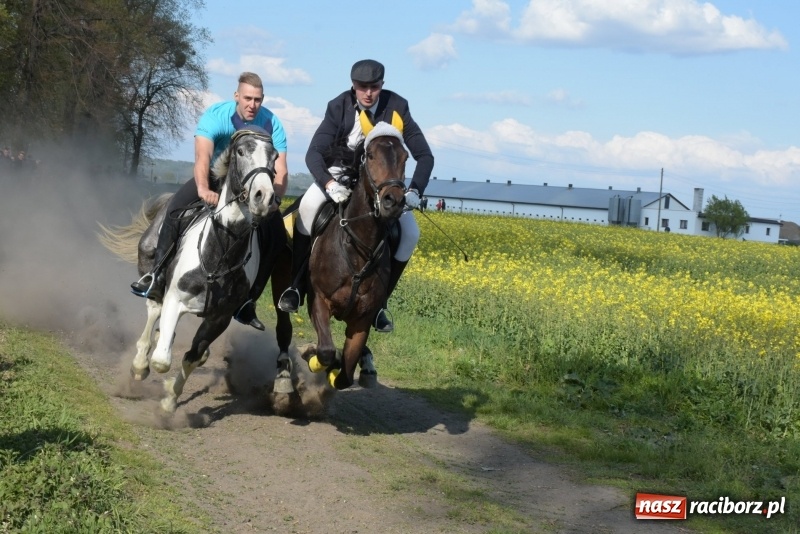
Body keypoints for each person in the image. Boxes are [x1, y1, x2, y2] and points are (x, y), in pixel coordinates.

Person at [277, 59, 434, 335]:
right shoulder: (338, 106)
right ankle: (296, 286)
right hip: (338, 172)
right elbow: (313, 153)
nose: (368, 93)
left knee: (410, 233)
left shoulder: (398, 106)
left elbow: (425, 156)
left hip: (381, 182)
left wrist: (414, 191)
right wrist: (329, 184)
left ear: (382, 85)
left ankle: (381, 304)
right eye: (362, 87)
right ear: (353, 86)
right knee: (308, 207)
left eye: (374, 87)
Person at [130, 72, 288, 330]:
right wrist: (203, 188)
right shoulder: (217, 116)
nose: (252, 104)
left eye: (258, 99)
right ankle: (156, 274)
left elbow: (281, 169)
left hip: (249, 189)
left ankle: (248, 301)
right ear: (236, 96)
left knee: (278, 236)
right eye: (247, 98)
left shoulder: (271, 123)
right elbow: (203, 157)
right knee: (174, 210)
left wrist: (275, 199)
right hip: (213, 178)